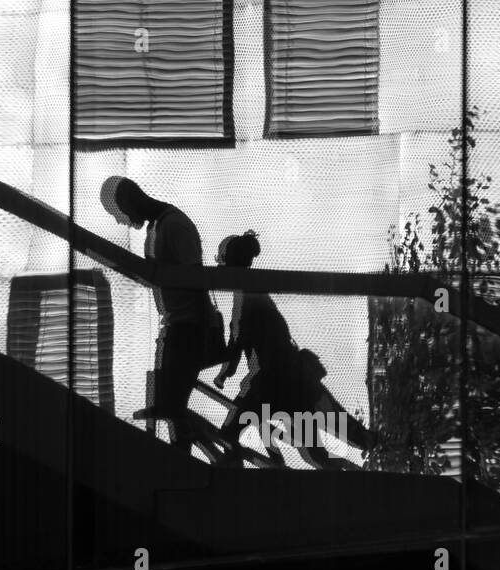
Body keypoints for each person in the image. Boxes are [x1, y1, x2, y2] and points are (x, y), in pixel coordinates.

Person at [213, 231, 372, 468]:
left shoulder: (249, 298)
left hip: (277, 384)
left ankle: (233, 470)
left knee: (231, 431)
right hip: (291, 383)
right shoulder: (252, 294)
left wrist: (226, 371)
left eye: (224, 263)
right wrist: (227, 370)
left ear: (232, 264)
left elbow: (240, 341)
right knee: (320, 448)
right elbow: (241, 341)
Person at [100, 176, 217, 450]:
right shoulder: (158, 226)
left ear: (129, 202)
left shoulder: (174, 226)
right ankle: (183, 459)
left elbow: (197, 280)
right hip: (178, 327)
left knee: (173, 406)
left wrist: (201, 334)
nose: (122, 221)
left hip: (188, 328)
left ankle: (184, 462)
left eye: (120, 213)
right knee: (171, 407)